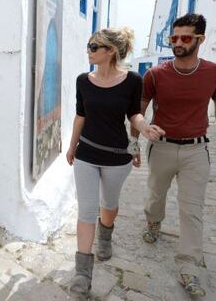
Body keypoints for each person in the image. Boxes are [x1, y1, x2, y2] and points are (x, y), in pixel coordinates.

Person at [66, 27, 165, 297]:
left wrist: (144, 127)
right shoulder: (82, 80)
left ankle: (106, 234)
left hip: (116, 157)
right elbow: (80, 115)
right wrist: (72, 145)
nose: (89, 50)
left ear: (110, 51)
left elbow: (134, 113)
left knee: (108, 206)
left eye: (94, 46)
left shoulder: (133, 80)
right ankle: (82, 275)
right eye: (89, 45)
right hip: (87, 154)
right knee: (86, 212)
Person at [135, 13, 216, 296]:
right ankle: (153, 221)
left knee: (192, 210)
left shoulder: (215, 73)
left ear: (200, 40)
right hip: (161, 147)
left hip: (197, 150)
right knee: (155, 195)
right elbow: (139, 110)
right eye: (174, 38)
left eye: (185, 38)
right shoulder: (155, 75)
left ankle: (190, 269)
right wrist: (135, 140)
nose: (178, 43)